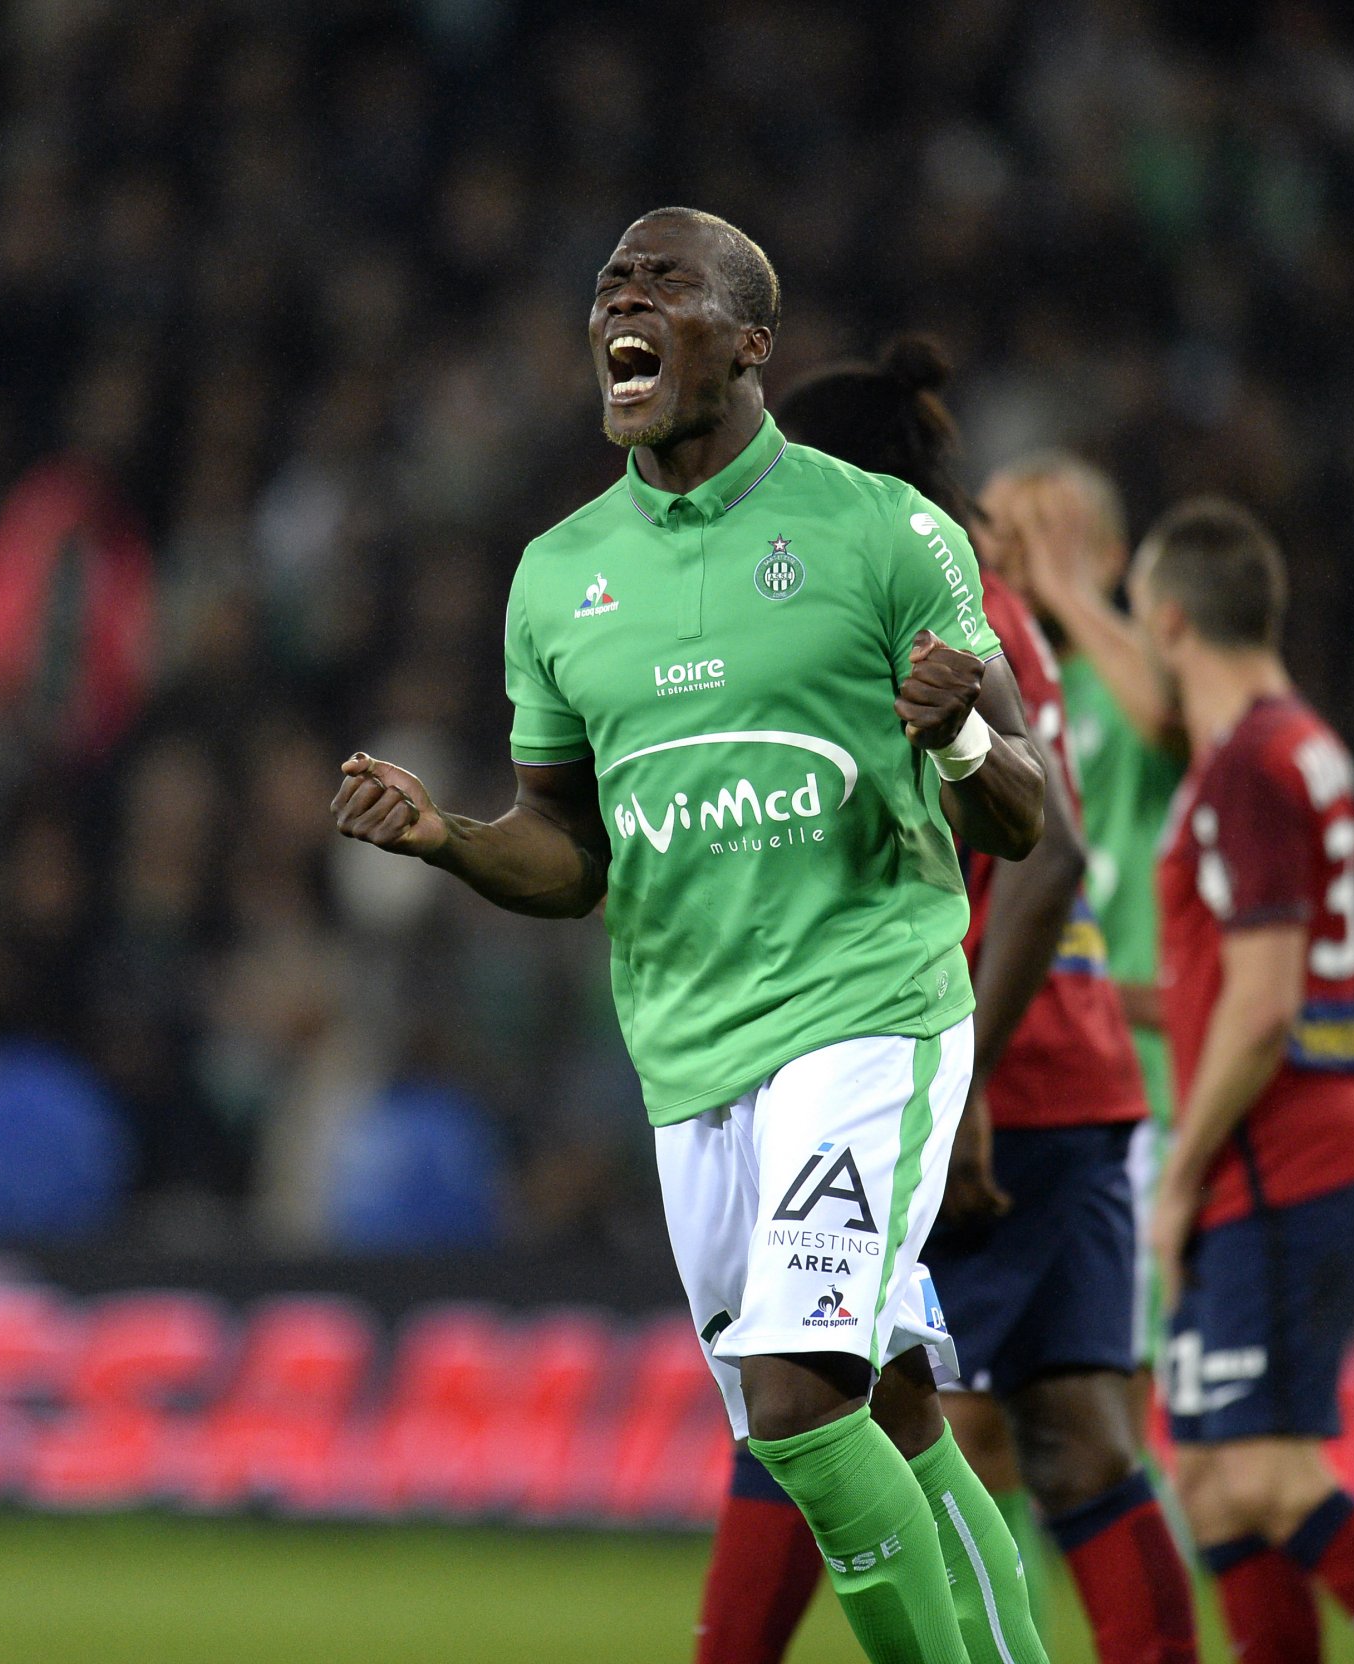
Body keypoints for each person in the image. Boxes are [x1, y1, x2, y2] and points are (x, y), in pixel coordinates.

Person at [333, 209, 1051, 1664]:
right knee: (884, 1418)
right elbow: (568, 849)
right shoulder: (559, 576)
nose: (624, 300)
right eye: (609, 283)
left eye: (664, 281)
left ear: (749, 342)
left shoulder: (883, 531)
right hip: (689, 1064)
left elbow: (1027, 818)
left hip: (867, 1017)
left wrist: (965, 733)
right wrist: (456, 843)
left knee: (797, 1397)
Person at [689, 339, 1197, 1664]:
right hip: (1072, 1080)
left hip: (955, 1075)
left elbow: (1048, 856)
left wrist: (951, 1079)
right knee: (1077, 1442)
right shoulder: (979, 591)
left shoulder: (914, 589)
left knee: (814, 1383)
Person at [1134, 501, 1354, 1664]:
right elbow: (1227, 980)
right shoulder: (1297, 742)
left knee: (1271, 1478)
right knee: (1215, 1486)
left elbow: (1265, 999)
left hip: (1273, 1153)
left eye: (1141, 618)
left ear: (1173, 618)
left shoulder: (1246, 764)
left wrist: (1178, 1178)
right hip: (1282, 1140)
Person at [1000, 455, 1187, 1423]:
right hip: (1007, 1073)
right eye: (1006, 524)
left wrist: (1071, 592)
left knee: (1114, 1386)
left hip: (1135, 1084)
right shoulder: (985, 676)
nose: (1022, 544)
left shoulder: (1125, 678)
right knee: (980, 1393)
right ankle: (997, 1585)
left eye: (1052, 529)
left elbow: (1172, 716)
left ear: (1110, 556)